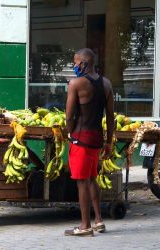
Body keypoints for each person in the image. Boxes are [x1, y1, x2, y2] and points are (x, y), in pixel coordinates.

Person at [64, 48, 114, 237]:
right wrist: (109, 142)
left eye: (76, 63)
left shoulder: (76, 84)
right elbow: (110, 117)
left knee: (82, 182)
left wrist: (69, 133)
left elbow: (69, 116)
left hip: (80, 138)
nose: (74, 66)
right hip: (96, 139)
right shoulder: (107, 84)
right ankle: (98, 220)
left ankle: (85, 226)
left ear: (84, 63)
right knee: (92, 179)